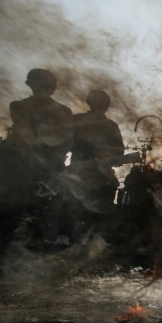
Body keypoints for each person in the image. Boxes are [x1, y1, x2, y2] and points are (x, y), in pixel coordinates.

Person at [0, 69, 73, 263]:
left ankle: (30, 261)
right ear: (31, 86)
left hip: (43, 170)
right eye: (38, 86)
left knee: (39, 217)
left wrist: (51, 160)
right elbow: (24, 134)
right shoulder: (18, 106)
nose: (41, 90)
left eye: (45, 87)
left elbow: (66, 141)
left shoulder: (62, 112)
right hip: (18, 168)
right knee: (8, 217)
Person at [57, 90, 125, 244]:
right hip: (81, 171)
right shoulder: (79, 121)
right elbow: (65, 143)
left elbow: (119, 152)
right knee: (73, 204)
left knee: (94, 206)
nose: (99, 106)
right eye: (98, 103)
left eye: (101, 103)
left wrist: (105, 156)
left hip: (97, 173)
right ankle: (66, 236)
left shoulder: (110, 126)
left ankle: (87, 238)